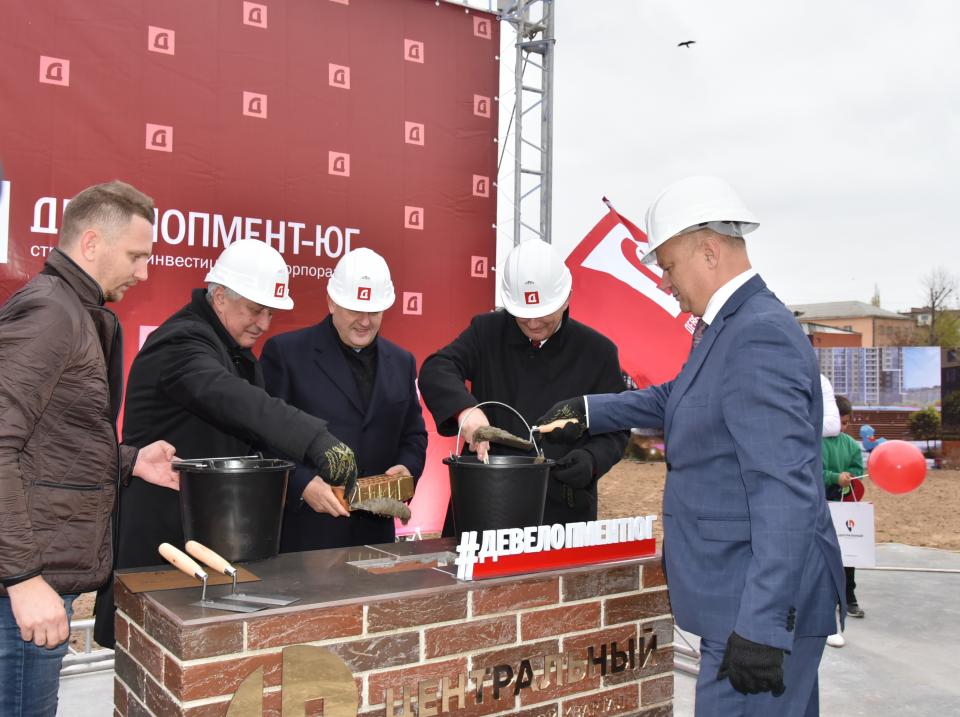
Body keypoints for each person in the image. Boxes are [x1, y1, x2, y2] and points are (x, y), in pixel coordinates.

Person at [537, 176, 845, 716]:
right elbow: (680, 397)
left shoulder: (757, 335)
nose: (664, 283)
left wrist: (763, 626)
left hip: (757, 612)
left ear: (708, 251)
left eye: (668, 267)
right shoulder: (730, 327)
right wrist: (587, 411)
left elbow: (783, 489)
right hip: (740, 600)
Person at [93, 239, 357, 647]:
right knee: (152, 666)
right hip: (162, 547)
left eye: (270, 312)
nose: (264, 323)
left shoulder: (233, 350)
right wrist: (315, 439)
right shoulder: (181, 342)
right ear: (219, 297)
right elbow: (234, 401)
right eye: (255, 309)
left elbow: (252, 437)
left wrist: (303, 482)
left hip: (209, 544)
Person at [0, 181, 180, 716]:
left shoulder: (73, 310)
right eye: (136, 256)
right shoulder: (51, 313)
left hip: (36, 577)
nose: (143, 272)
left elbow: (52, 438)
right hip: (23, 589)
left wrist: (130, 460)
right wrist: (22, 580)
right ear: (92, 243)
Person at [418, 238, 628, 531]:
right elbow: (437, 369)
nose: (532, 323)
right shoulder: (486, 332)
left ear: (566, 298)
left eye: (543, 313)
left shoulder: (597, 352)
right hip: (485, 500)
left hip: (559, 512)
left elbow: (616, 427)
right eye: (523, 314)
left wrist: (591, 460)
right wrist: (465, 411)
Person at [260, 248, 427, 550]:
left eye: (374, 312)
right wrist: (302, 484)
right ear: (331, 302)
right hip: (308, 535)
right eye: (355, 310)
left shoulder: (402, 361)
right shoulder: (286, 354)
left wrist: (406, 469)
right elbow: (265, 438)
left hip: (377, 536)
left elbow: (413, 435)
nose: (365, 321)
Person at [823, 395, 865, 622]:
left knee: (848, 552)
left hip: (844, 505)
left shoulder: (850, 444)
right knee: (820, 554)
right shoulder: (814, 441)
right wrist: (833, 477)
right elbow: (811, 472)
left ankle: (848, 597)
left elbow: (858, 471)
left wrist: (849, 480)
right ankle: (821, 598)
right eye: (840, 421)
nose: (843, 427)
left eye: (847, 423)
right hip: (819, 504)